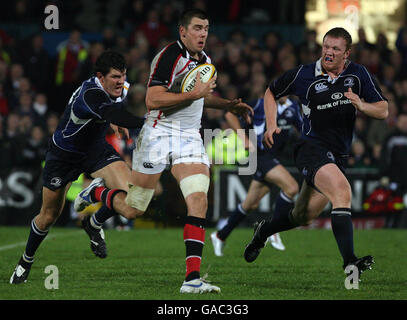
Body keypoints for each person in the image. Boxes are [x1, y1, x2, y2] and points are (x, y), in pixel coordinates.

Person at [244, 27, 388, 280]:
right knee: (342, 192)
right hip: (310, 149)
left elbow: (383, 110)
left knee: (302, 215)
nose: (328, 53)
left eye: (335, 49)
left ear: (347, 54)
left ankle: (264, 231)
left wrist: (362, 104)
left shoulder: (358, 74)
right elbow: (271, 91)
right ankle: (350, 264)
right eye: (326, 47)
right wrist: (271, 123)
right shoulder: (304, 74)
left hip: (338, 156)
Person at [124, 8, 251, 294]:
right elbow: (152, 100)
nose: (203, 33)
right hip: (157, 135)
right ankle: (97, 193)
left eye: (206, 28)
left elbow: (199, 101)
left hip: (189, 139)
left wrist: (228, 104)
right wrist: (195, 94)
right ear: (183, 31)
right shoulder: (169, 56)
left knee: (199, 201)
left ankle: (192, 279)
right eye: (197, 28)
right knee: (133, 209)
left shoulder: (204, 61)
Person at [10, 51, 145, 284]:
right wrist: (147, 123)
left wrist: (115, 121)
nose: (121, 81)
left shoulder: (117, 86)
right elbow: (109, 110)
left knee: (134, 202)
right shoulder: (90, 94)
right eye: (115, 77)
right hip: (63, 155)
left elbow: (113, 109)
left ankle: (94, 218)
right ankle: (25, 261)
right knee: (48, 216)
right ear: (100, 77)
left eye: (123, 75)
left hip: (95, 150)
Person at [211, 96, 302, 255]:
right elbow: (229, 114)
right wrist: (243, 137)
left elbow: (303, 129)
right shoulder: (259, 103)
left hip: (273, 157)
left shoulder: (293, 107)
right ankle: (272, 230)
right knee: (292, 187)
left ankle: (220, 235)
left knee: (250, 204)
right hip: (260, 155)